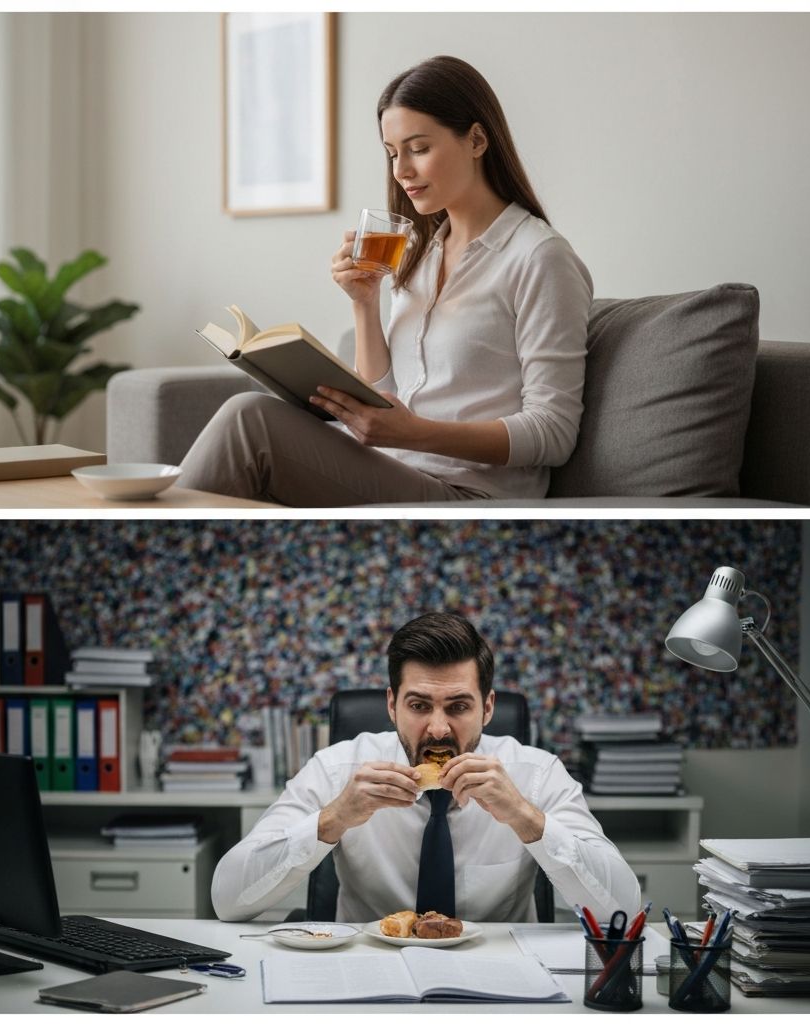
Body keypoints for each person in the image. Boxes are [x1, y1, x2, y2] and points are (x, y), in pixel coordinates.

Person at [178, 56, 593, 506]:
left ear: (476, 139)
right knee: (253, 419)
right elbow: (386, 397)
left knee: (249, 419)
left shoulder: (539, 257)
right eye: (393, 153)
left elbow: (553, 432)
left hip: (469, 494)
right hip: (397, 469)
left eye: (418, 148)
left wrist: (418, 434)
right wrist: (364, 302)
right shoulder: (422, 252)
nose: (401, 171)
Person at [211, 613, 640, 923]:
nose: (437, 729)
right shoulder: (336, 768)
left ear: (488, 708)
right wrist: (333, 819)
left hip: (502, 979)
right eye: (418, 705)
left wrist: (526, 818)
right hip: (368, 975)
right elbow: (228, 899)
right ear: (391, 706)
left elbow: (623, 909)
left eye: (458, 706)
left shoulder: (538, 773)